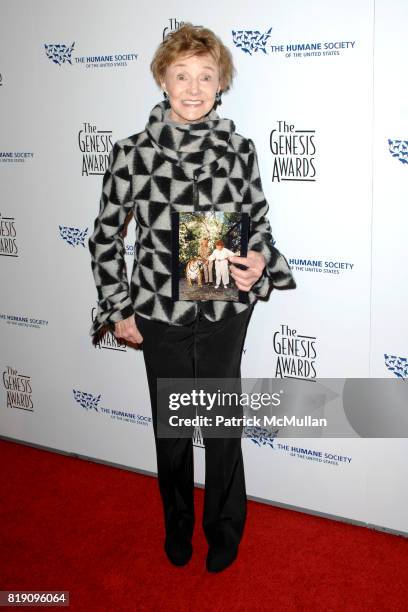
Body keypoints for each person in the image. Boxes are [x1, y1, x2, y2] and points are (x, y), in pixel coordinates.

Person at [88, 23, 296, 573]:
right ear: (162, 78)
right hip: (160, 313)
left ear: (222, 81)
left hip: (225, 308)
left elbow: (258, 228)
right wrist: (117, 307)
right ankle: (177, 523)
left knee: (223, 428)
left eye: (206, 75)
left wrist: (258, 263)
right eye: (182, 75)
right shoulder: (131, 153)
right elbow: (106, 237)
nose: (194, 87)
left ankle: (225, 527)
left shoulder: (239, 149)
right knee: (174, 431)